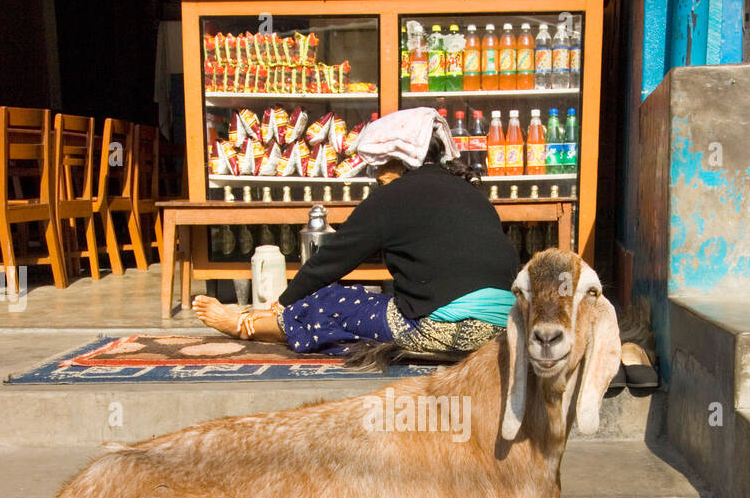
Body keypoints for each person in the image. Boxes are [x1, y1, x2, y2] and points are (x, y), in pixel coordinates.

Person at [192, 107, 518, 360]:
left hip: (447, 328)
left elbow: (331, 261)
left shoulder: (394, 195)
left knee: (333, 301)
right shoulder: (468, 189)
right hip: (504, 328)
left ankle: (247, 326)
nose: (376, 175)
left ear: (400, 161)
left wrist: (278, 304)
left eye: (379, 166)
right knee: (371, 303)